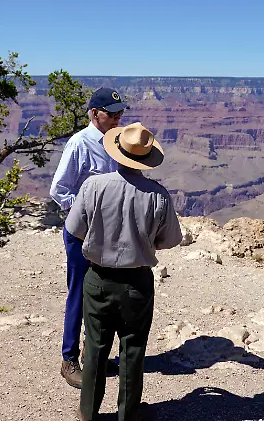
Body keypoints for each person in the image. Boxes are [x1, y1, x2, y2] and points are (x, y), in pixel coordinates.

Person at [65, 122, 182, 421]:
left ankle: (88, 411)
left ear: (116, 153)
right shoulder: (158, 195)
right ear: (145, 159)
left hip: (97, 280)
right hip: (136, 284)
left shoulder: (93, 186)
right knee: (132, 350)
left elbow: (74, 229)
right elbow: (170, 240)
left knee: (94, 347)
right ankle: (127, 414)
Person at [50, 87, 128, 388]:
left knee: (104, 294)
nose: (118, 116)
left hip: (109, 231)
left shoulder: (116, 142)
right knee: (79, 293)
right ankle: (68, 360)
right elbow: (59, 189)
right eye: (112, 112)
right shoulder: (79, 144)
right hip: (81, 232)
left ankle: (92, 354)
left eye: (120, 112)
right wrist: (84, 211)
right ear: (95, 113)